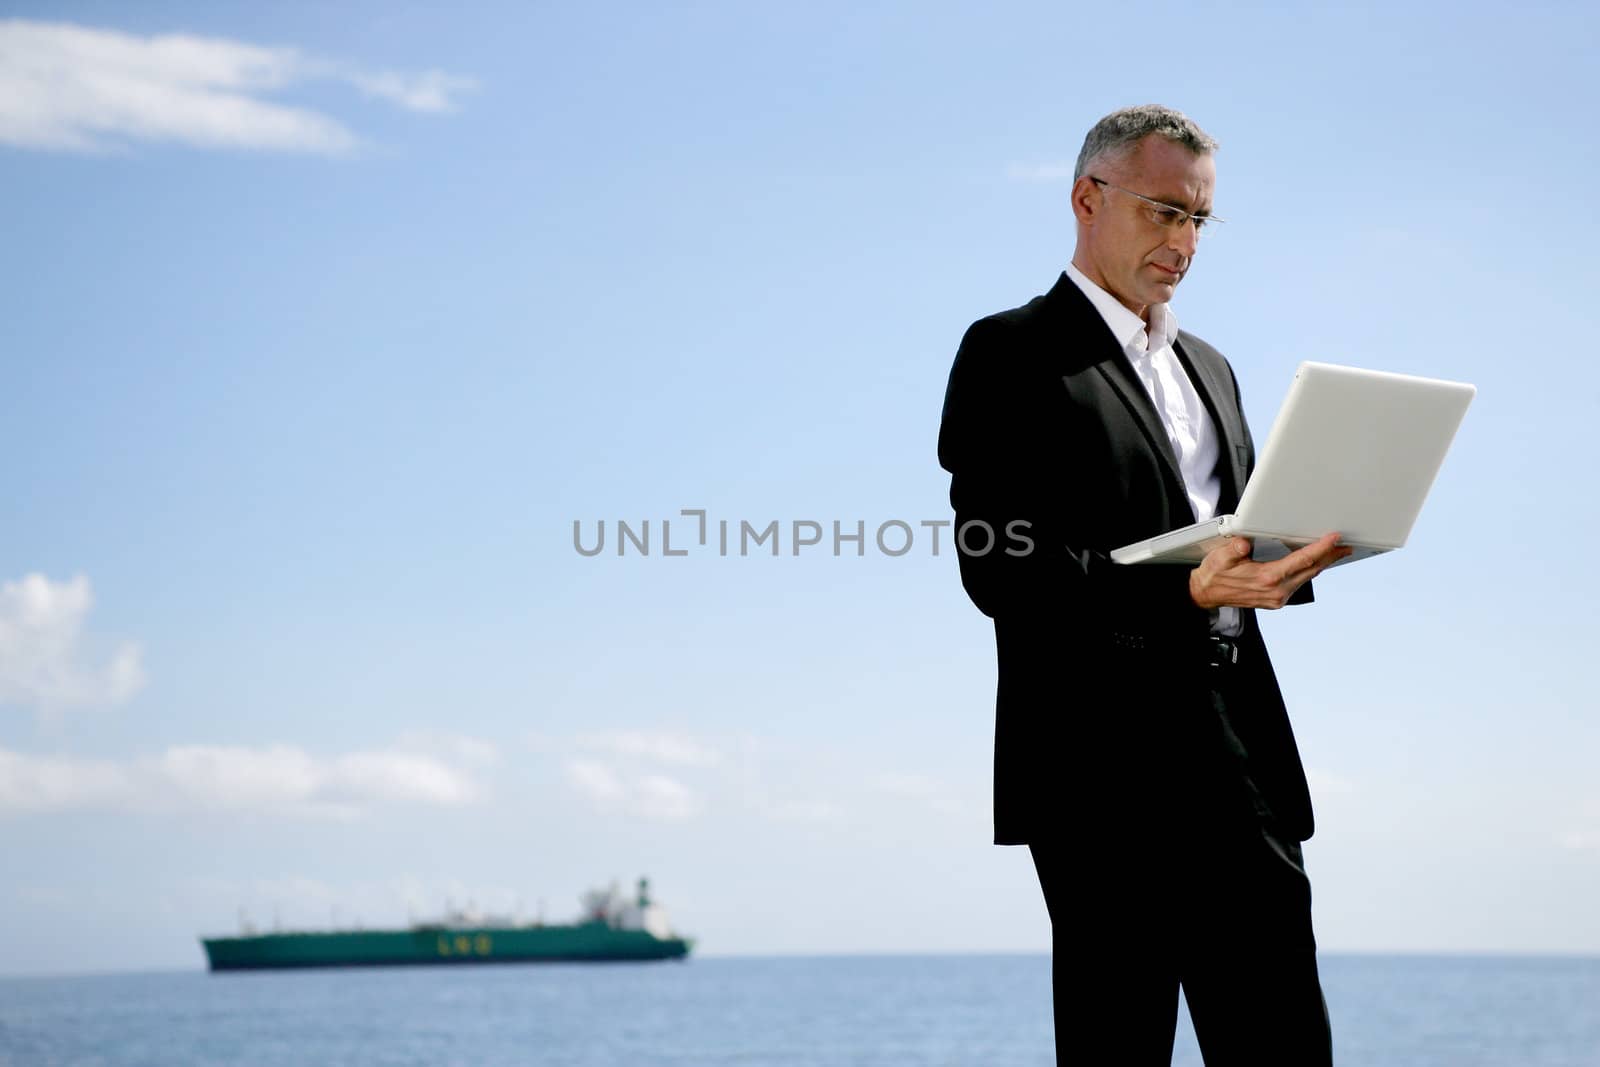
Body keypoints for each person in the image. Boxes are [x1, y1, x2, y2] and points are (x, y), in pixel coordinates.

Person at [936, 105, 1350, 1065]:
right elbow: (1001, 565)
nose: (1184, 240)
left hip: (1241, 756)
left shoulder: (1215, 368)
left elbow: (1227, 551)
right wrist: (1186, 595)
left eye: (1200, 219)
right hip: (1098, 769)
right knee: (1119, 1045)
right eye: (1165, 210)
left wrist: (1289, 562)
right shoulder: (1009, 351)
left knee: (1287, 1042)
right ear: (1088, 198)